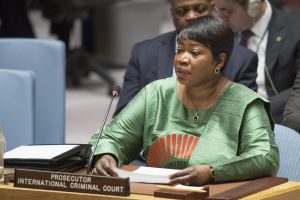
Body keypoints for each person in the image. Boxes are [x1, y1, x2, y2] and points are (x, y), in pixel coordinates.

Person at [89, 16, 279, 185]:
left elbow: (265, 157)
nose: (182, 59)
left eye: (194, 53)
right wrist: (107, 155)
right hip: (155, 193)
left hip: (218, 193)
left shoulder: (246, 103)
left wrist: (213, 171)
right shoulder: (157, 93)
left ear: (219, 61)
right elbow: (111, 137)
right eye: (179, 50)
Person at [114, 0, 258, 116]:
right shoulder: (144, 53)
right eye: (181, 11)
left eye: (199, 8)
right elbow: (123, 115)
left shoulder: (242, 59)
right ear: (172, 13)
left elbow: (243, 120)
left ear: (212, 8)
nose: (191, 16)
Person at [213, 0, 300, 123]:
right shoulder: (219, 33)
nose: (221, 18)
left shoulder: (295, 30)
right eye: (217, 9)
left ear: (253, 5)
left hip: (275, 120)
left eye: (227, 11)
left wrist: (256, 112)